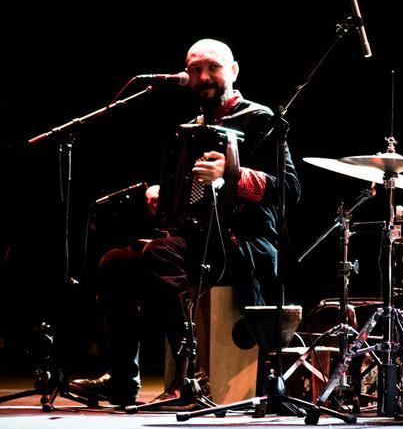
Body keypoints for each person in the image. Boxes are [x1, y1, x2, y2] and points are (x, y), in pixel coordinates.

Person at [73, 39, 300, 406]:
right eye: (194, 69)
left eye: (211, 67)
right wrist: (163, 199)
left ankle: (191, 376)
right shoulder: (191, 128)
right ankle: (121, 380)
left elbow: (290, 190)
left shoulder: (261, 120)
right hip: (194, 240)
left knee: (163, 253)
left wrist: (233, 174)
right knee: (116, 263)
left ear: (234, 71)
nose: (202, 76)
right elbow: (184, 203)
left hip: (243, 243)